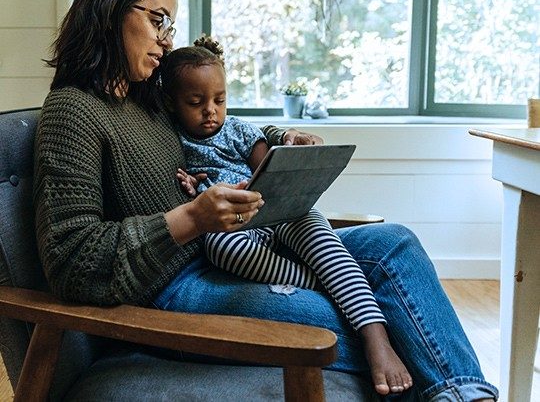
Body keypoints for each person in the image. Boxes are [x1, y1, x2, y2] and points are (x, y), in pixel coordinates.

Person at [34, 0, 498, 401]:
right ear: (110, 10)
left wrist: (279, 139)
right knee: (376, 321)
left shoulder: (150, 97)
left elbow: (218, 122)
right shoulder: (72, 111)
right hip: (174, 286)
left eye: (169, 25)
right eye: (158, 20)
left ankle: (468, 397)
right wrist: (192, 218)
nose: (168, 40)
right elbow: (72, 262)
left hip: (237, 246)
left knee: (395, 242)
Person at [160, 35, 412, 395]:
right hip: (233, 226)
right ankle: (329, 284)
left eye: (219, 100)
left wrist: (278, 173)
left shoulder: (239, 130)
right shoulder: (172, 141)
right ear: (171, 103)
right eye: (195, 102)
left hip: (277, 210)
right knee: (219, 248)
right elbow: (185, 197)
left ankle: (375, 335)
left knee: (317, 232)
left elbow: (273, 167)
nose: (210, 111)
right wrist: (189, 186)